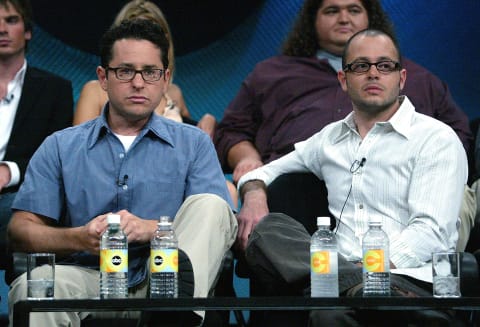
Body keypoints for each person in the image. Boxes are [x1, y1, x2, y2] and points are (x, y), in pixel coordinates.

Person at [7, 19, 237, 326]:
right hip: (87, 277)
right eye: (125, 71)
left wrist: (152, 229)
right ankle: (172, 311)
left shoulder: (193, 143)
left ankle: (173, 312)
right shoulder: (60, 146)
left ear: (165, 78)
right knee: (30, 291)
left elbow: (215, 224)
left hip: (162, 274)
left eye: (150, 72)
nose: (139, 83)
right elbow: (20, 229)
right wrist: (79, 238)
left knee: (212, 205)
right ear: (103, 77)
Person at [237, 29, 467, 326]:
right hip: (336, 274)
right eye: (361, 66)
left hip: (409, 280)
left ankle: (346, 287)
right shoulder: (329, 139)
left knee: (327, 311)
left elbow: (431, 233)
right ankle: (349, 286)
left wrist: (370, 271)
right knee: (269, 229)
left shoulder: (435, 139)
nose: (373, 74)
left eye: (384, 65)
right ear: (344, 80)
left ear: (402, 78)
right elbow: (262, 173)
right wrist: (255, 196)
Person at [214, 0, 471, 185]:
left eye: (354, 9)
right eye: (332, 10)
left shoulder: (418, 78)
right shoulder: (271, 73)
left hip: (396, 186)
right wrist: (248, 160)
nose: (344, 18)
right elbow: (232, 130)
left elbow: (457, 135)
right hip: (291, 184)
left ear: (370, 17)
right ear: (312, 21)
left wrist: (428, 175)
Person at [73, 0, 238, 209]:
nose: (143, 39)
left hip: (172, 181)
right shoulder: (94, 90)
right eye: (136, 30)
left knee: (224, 191)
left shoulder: (174, 93)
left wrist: (208, 120)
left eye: (153, 33)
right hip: (116, 180)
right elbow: (82, 153)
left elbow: (189, 139)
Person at [0, 0, 73, 261]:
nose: (1, 29)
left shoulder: (55, 90)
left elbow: (60, 158)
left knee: (24, 214)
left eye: (11, 20)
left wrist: (9, 171)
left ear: (27, 31)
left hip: (19, 194)